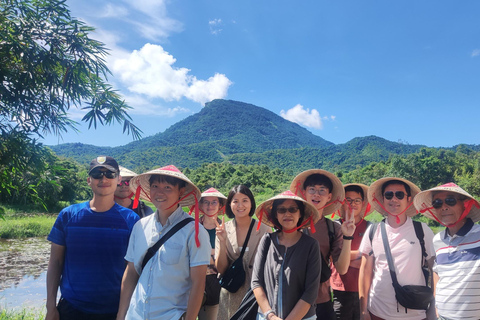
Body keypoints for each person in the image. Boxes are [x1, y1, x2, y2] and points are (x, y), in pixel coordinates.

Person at [45, 156, 140, 320]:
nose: (103, 178)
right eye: (97, 174)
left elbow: (131, 271)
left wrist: (122, 314)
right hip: (71, 309)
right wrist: (50, 307)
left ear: (118, 179)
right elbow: (55, 262)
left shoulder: (131, 220)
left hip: (113, 310)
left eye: (110, 174)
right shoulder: (68, 215)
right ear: (89, 180)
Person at [116, 165, 211, 320]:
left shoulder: (195, 232)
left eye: (167, 187)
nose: (159, 192)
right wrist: (121, 314)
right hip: (135, 314)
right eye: (155, 186)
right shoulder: (140, 226)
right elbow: (131, 273)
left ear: (180, 192)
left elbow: (198, 284)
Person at [358, 177, 435, 320]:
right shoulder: (373, 231)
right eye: (389, 195)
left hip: (415, 312)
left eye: (399, 195)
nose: (394, 199)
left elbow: (435, 270)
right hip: (378, 311)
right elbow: (365, 271)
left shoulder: (422, 231)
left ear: (409, 199)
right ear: (382, 199)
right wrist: (363, 310)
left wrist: (433, 308)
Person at [290, 169, 355, 320]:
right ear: (304, 192)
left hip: (321, 300)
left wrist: (347, 237)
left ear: (329, 197)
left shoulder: (333, 228)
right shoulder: (292, 222)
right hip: (292, 297)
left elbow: (342, 268)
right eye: (312, 189)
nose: (316, 194)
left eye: (322, 190)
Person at [414, 182, 480, 320]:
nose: (444, 207)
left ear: (465, 204)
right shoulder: (438, 240)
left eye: (450, 201)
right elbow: (437, 272)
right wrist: (436, 307)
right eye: (437, 203)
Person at [252, 190, 321, 320]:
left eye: (293, 209)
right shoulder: (267, 240)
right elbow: (256, 282)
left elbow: (311, 292)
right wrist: (270, 315)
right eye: (281, 210)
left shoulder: (311, 245)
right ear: (276, 215)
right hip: (266, 317)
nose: (287, 214)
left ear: (300, 213)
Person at [215, 184, 272, 320]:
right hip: (230, 294)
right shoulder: (224, 230)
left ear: (251, 203)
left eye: (245, 200)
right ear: (229, 205)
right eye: (235, 201)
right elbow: (221, 269)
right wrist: (222, 241)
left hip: (255, 294)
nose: (240, 205)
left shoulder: (265, 230)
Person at [331, 184, 373, 320]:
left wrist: (344, 259)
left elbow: (375, 260)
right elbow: (331, 258)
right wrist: (363, 256)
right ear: (342, 203)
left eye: (357, 200)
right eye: (348, 200)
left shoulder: (370, 228)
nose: (352, 204)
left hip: (367, 291)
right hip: (340, 289)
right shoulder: (334, 227)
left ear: (363, 204)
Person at [196, 187, 227, 320]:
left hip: (215, 285)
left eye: (214, 202)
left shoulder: (226, 228)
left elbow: (228, 258)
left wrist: (203, 253)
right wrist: (214, 253)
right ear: (201, 205)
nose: (210, 206)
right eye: (206, 202)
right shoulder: (193, 226)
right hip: (192, 282)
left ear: (220, 205)